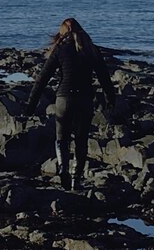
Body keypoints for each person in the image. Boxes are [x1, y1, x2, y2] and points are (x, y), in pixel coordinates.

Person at [25, 18, 116, 190]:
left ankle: (63, 170)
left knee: (61, 139)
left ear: (62, 33)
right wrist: (111, 100)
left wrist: (30, 105)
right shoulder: (91, 49)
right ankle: (76, 179)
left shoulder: (60, 50)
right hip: (85, 100)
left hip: (64, 99)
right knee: (81, 141)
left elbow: (42, 79)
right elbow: (105, 78)